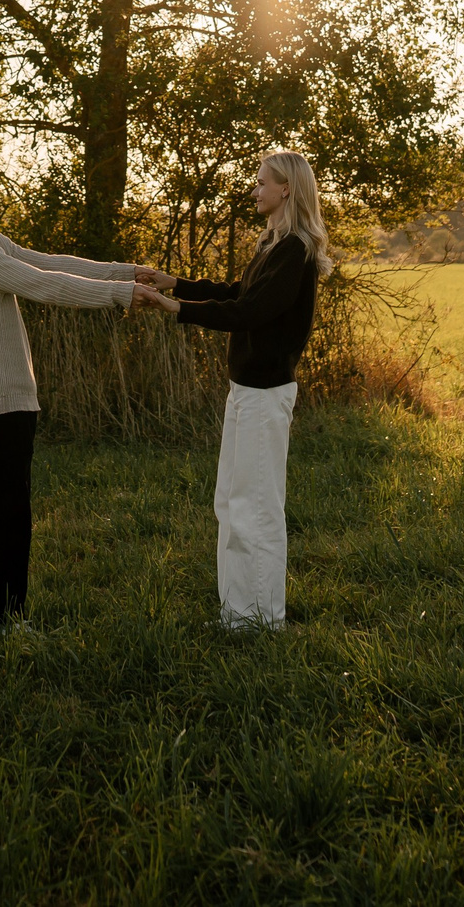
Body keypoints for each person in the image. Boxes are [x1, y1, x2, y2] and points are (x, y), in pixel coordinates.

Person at [0, 149, 164, 628]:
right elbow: (45, 286)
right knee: (5, 516)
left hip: (2, 399)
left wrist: (124, 272)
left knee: (7, 512)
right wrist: (123, 294)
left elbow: (51, 262)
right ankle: (0, 620)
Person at [138, 151, 330, 628]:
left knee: (257, 508)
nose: (255, 189)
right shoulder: (273, 244)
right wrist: (177, 284)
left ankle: (262, 620)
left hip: (266, 395)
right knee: (231, 502)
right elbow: (238, 294)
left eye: (262, 182)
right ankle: (236, 614)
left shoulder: (295, 251)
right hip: (245, 391)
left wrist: (175, 307)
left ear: (286, 188)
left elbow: (248, 314)